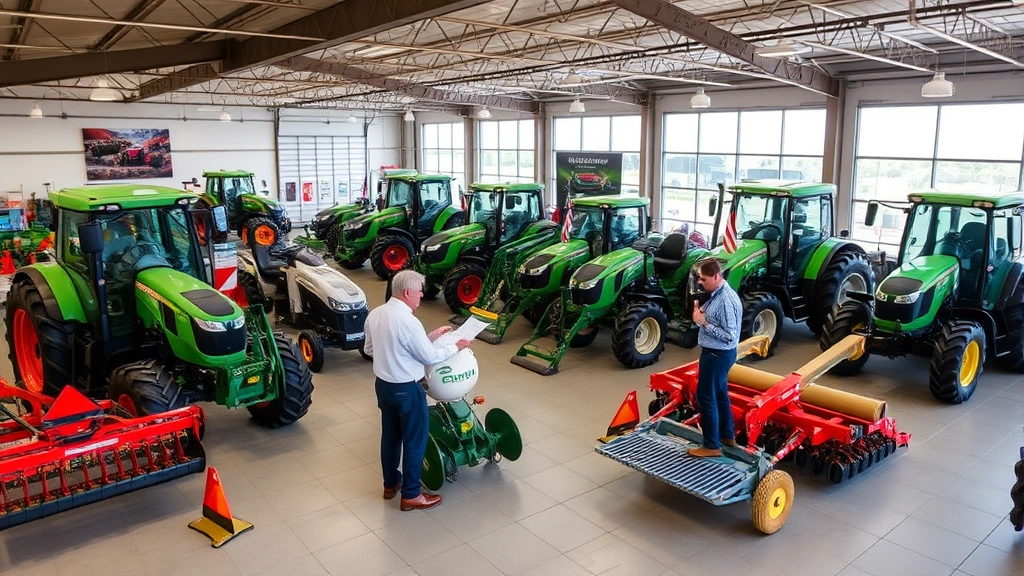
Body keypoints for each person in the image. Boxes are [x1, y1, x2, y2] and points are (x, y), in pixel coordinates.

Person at [363, 269, 471, 511]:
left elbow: (370, 350)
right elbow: (429, 356)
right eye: (420, 291)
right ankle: (411, 494)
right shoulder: (409, 321)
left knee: (390, 437)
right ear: (407, 292)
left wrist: (427, 337)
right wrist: (456, 346)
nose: (422, 295)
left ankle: (391, 485)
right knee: (414, 440)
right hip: (407, 390)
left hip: (384, 387)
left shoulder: (376, 314)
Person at [689, 259, 743, 458]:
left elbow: (730, 336)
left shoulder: (726, 300)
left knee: (705, 397)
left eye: (703, 279)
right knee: (720, 394)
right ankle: (727, 436)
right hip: (716, 353)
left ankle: (712, 445)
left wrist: (703, 322)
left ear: (716, 276)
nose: (700, 282)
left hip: (717, 354)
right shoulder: (717, 295)